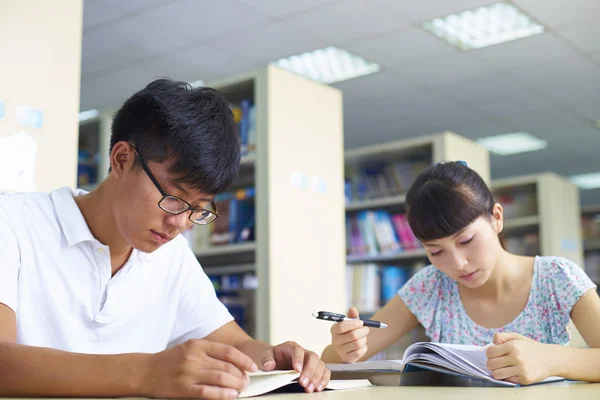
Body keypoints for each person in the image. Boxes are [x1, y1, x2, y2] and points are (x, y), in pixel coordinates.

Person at [0, 79, 330, 399]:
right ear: (122, 159)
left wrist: (273, 357)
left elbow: (235, 343)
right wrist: (147, 373)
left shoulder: (171, 256)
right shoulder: (13, 222)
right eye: (174, 197)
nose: (179, 224)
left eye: (197, 210)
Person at [322, 161, 600, 385]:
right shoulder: (431, 285)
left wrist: (550, 359)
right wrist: (346, 348)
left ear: (497, 217)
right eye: (436, 251)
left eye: (466, 241)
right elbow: (330, 364)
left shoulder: (556, 277)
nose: (458, 264)